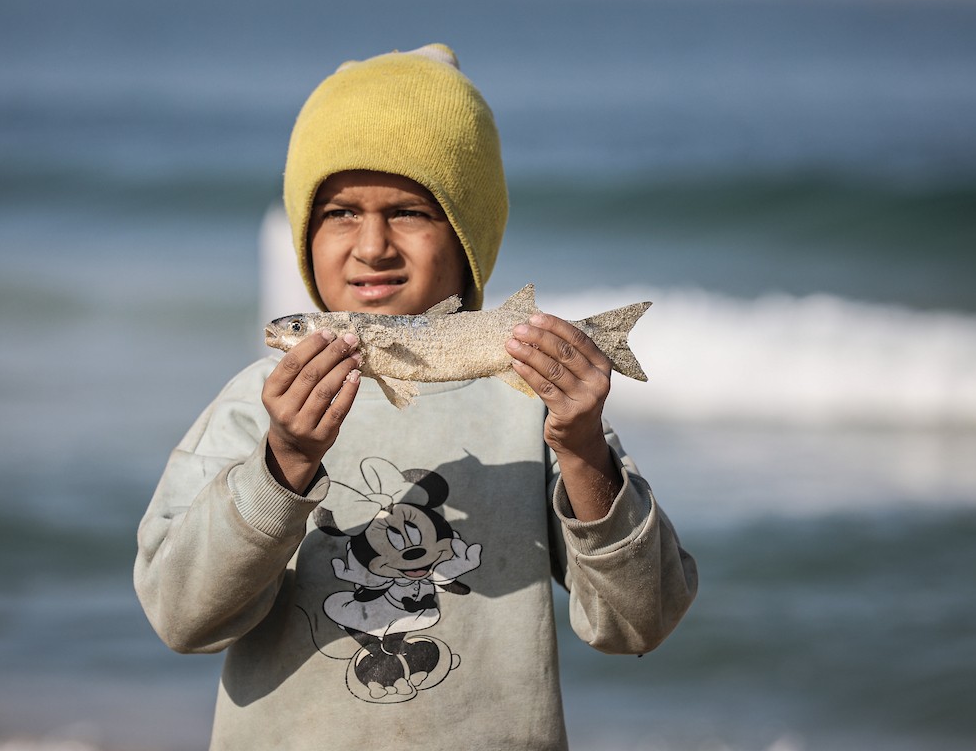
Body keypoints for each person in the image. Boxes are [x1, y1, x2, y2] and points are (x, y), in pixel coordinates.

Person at [135, 43, 697, 750]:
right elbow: (183, 620)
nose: (371, 246)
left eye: (409, 212)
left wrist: (584, 451)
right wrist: (283, 464)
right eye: (339, 212)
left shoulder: (534, 409)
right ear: (304, 235)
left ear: (468, 237)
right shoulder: (255, 406)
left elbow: (640, 623)